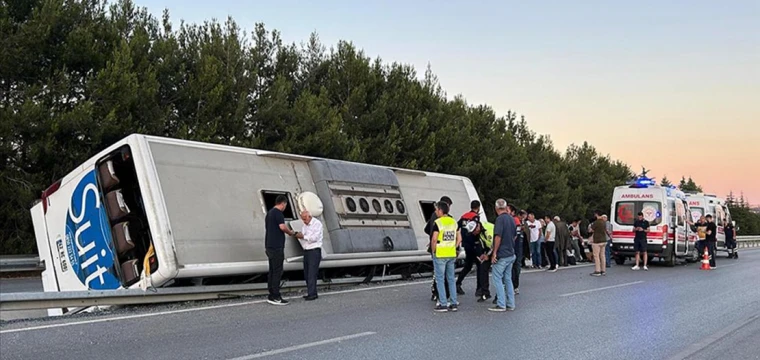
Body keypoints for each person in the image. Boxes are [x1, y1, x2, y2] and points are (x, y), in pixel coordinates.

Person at [265, 195, 298, 305]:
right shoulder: (278, 213)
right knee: (277, 271)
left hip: (269, 245)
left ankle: (271, 294)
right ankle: (276, 296)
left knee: (272, 270)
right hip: (277, 246)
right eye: (285, 205)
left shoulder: (269, 213)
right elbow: (282, 227)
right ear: (283, 203)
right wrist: (291, 232)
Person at [430, 200, 462, 312]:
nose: (435, 212)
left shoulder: (438, 223)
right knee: (451, 279)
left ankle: (443, 303)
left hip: (440, 254)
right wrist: (454, 246)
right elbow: (459, 238)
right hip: (451, 254)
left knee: (440, 279)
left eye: (436, 209)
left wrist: (433, 251)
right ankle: (453, 303)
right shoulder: (454, 222)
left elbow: (434, 239)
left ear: (440, 210)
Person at [489, 199, 517, 312]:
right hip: (511, 253)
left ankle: (501, 304)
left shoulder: (500, 220)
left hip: (503, 254)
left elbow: (498, 237)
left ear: (496, 209)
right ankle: (511, 303)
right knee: (508, 279)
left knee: (497, 278)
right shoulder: (511, 219)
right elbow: (514, 235)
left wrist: (494, 252)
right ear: (506, 207)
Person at [425, 196, 453, 302]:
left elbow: (427, 229)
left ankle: (436, 293)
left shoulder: (433, 216)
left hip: (436, 248)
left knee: (437, 274)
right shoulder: (449, 219)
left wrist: (432, 240)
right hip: (446, 249)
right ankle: (445, 296)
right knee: (446, 276)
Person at [296, 210, 323, 301]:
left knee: (312, 272)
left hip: (314, 250)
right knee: (307, 272)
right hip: (307, 250)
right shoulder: (304, 226)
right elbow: (305, 237)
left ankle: (312, 293)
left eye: (305, 219)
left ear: (309, 217)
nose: (304, 221)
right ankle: (311, 292)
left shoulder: (317, 224)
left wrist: (303, 237)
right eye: (302, 219)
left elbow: (314, 238)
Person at [456, 200, 481, 296]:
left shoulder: (464, 216)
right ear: (478, 208)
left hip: (466, 244)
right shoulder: (475, 217)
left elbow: (457, 226)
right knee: (479, 265)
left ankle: (458, 283)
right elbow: (476, 230)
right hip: (474, 243)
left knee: (468, 265)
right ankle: (479, 288)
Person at [474, 220, 493, 302]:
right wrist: (483, 254)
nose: (473, 233)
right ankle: (485, 293)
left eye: (473, 231)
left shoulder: (488, 230)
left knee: (499, 274)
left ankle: (501, 296)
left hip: (500, 248)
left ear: (477, 228)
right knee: (483, 269)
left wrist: (488, 255)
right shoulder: (480, 232)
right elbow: (485, 244)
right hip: (491, 249)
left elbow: (495, 243)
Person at [510, 206, 525, 294]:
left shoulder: (514, 220)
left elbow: (516, 235)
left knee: (515, 266)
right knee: (515, 266)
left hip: (515, 247)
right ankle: (514, 285)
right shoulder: (515, 221)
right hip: (516, 246)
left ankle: (514, 285)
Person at [588, 210, 608, 276]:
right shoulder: (604, 222)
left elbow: (590, 230)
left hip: (597, 241)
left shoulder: (596, 222)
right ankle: (603, 270)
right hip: (604, 240)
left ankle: (597, 271)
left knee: (596, 256)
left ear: (596, 214)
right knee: (602, 255)